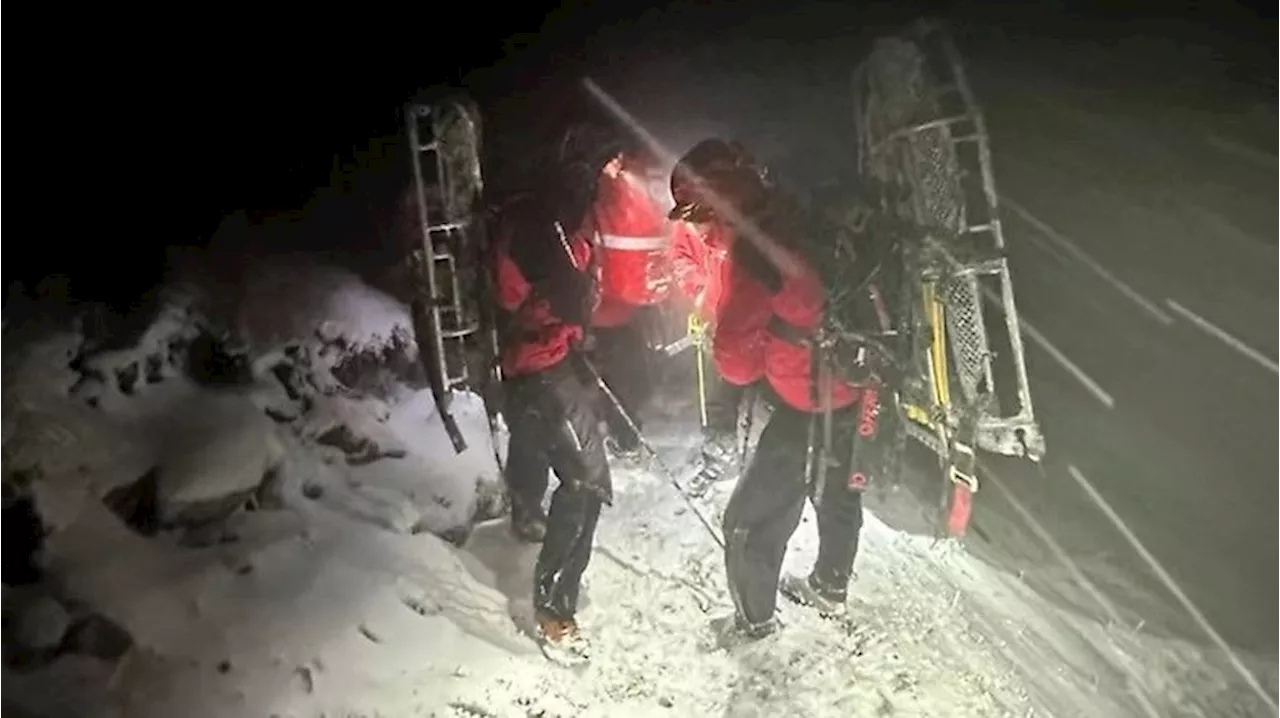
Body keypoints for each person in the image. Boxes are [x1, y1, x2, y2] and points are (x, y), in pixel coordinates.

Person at [667, 138, 897, 643]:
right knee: (838, 491)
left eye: (700, 216)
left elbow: (736, 362)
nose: (702, 232)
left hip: (808, 398)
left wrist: (742, 344)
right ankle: (830, 585)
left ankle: (753, 621)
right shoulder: (792, 214)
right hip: (857, 378)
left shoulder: (756, 246)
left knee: (748, 523)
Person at [490, 120, 631, 659]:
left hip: (541, 358)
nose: (603, 183)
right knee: (587, 482)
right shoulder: (540, 226)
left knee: (533, 439)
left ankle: (526, 512)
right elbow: (572, 298)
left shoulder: (537, 216)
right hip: (536, 366)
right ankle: (553, 609)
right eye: (597, 172)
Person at [668, 140, 770, 478]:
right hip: (715, 319)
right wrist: (698, 295)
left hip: (758, 325)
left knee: (764, 392)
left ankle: (760, 463)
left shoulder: (754, 215)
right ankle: (718, 456)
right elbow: (681, 259)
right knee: (717, 397)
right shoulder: (689, 216)